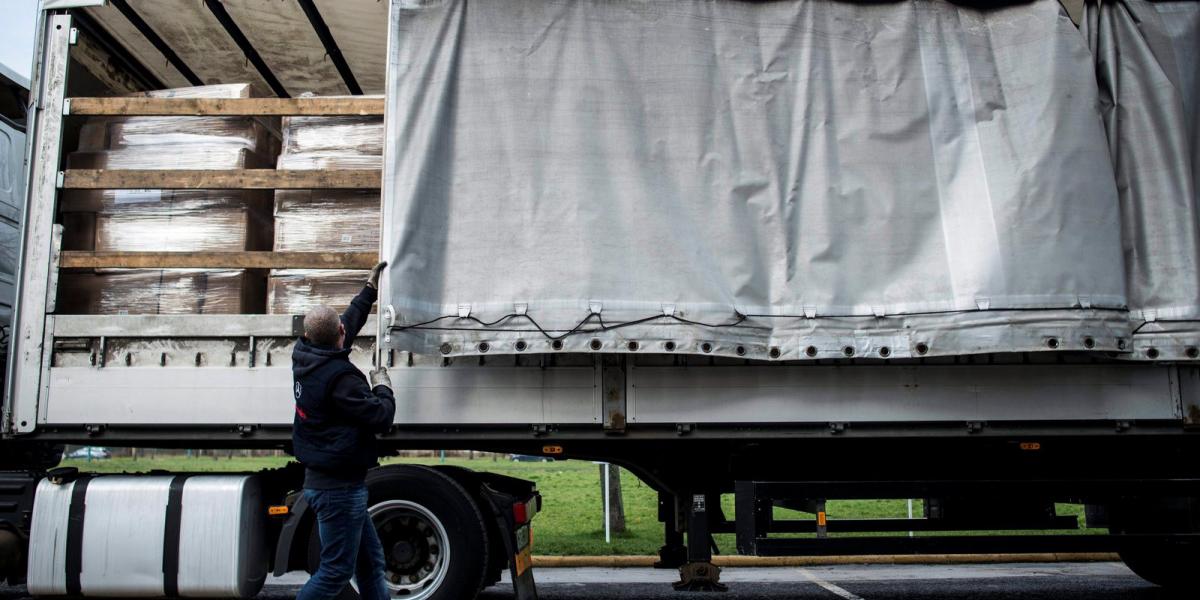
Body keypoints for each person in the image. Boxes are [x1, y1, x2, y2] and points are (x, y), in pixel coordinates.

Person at [291, 261, 395, 600]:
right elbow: (380, 417)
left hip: (331, 482)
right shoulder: (341, 379)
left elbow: (346, 322)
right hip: (339, 490)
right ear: (339, 337)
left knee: (371, 564)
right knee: (336, 571)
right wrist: (383, 387)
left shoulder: (305, 355)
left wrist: (369, 291)